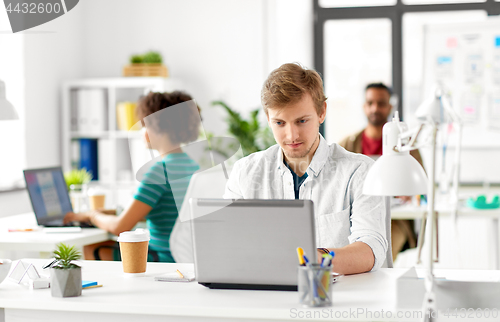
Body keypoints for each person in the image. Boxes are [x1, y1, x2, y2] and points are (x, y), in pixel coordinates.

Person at [223, 63, 388, 275]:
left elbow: (370, 250)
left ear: (321, 112)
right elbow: (227, 243)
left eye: (301, 121)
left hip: (333, 297)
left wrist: (314, 258)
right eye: (280, 123)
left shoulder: (359, 171)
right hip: (263, 296)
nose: (291, 136)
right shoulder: (245, 173)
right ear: (268, 119)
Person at [64, 91, 201, 262]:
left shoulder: (159, 171)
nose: (142, 130)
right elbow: (159, 210)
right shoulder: (192, 166)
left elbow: (120, 227)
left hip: (162, 257)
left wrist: (93, 217)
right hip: (185, 257)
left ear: (158, 127)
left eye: (145, 125)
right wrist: (102, 212)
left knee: (93, 246)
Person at [338, 83, 423, 260]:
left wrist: (410, 194)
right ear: (364, 106)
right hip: (356, 219)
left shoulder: (407, 147)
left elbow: (421, 186)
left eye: (381, 103)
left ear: (390, 107)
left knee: (380, 256)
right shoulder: (348, 144)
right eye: (370, 103)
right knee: (346, 254)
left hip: (395, 220)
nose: (375, 108)